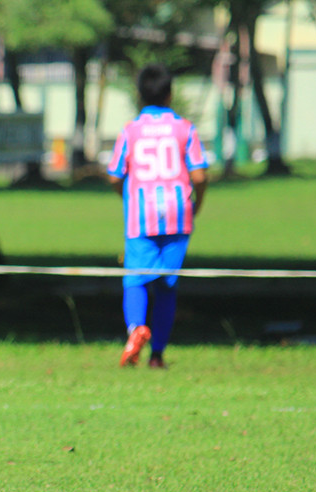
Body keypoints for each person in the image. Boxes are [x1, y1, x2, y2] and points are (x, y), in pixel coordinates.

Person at [107, 63, 208, 368]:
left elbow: (115, 175)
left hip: (142, 213)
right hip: (178, 213)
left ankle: (136, 327)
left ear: (139, 94)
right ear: (170, 92)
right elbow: (200, 176)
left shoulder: (131, 129)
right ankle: (158, 355)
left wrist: (124, 196)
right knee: (167, 285)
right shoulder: (185, 127)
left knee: (135, 280)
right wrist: (196, 206)